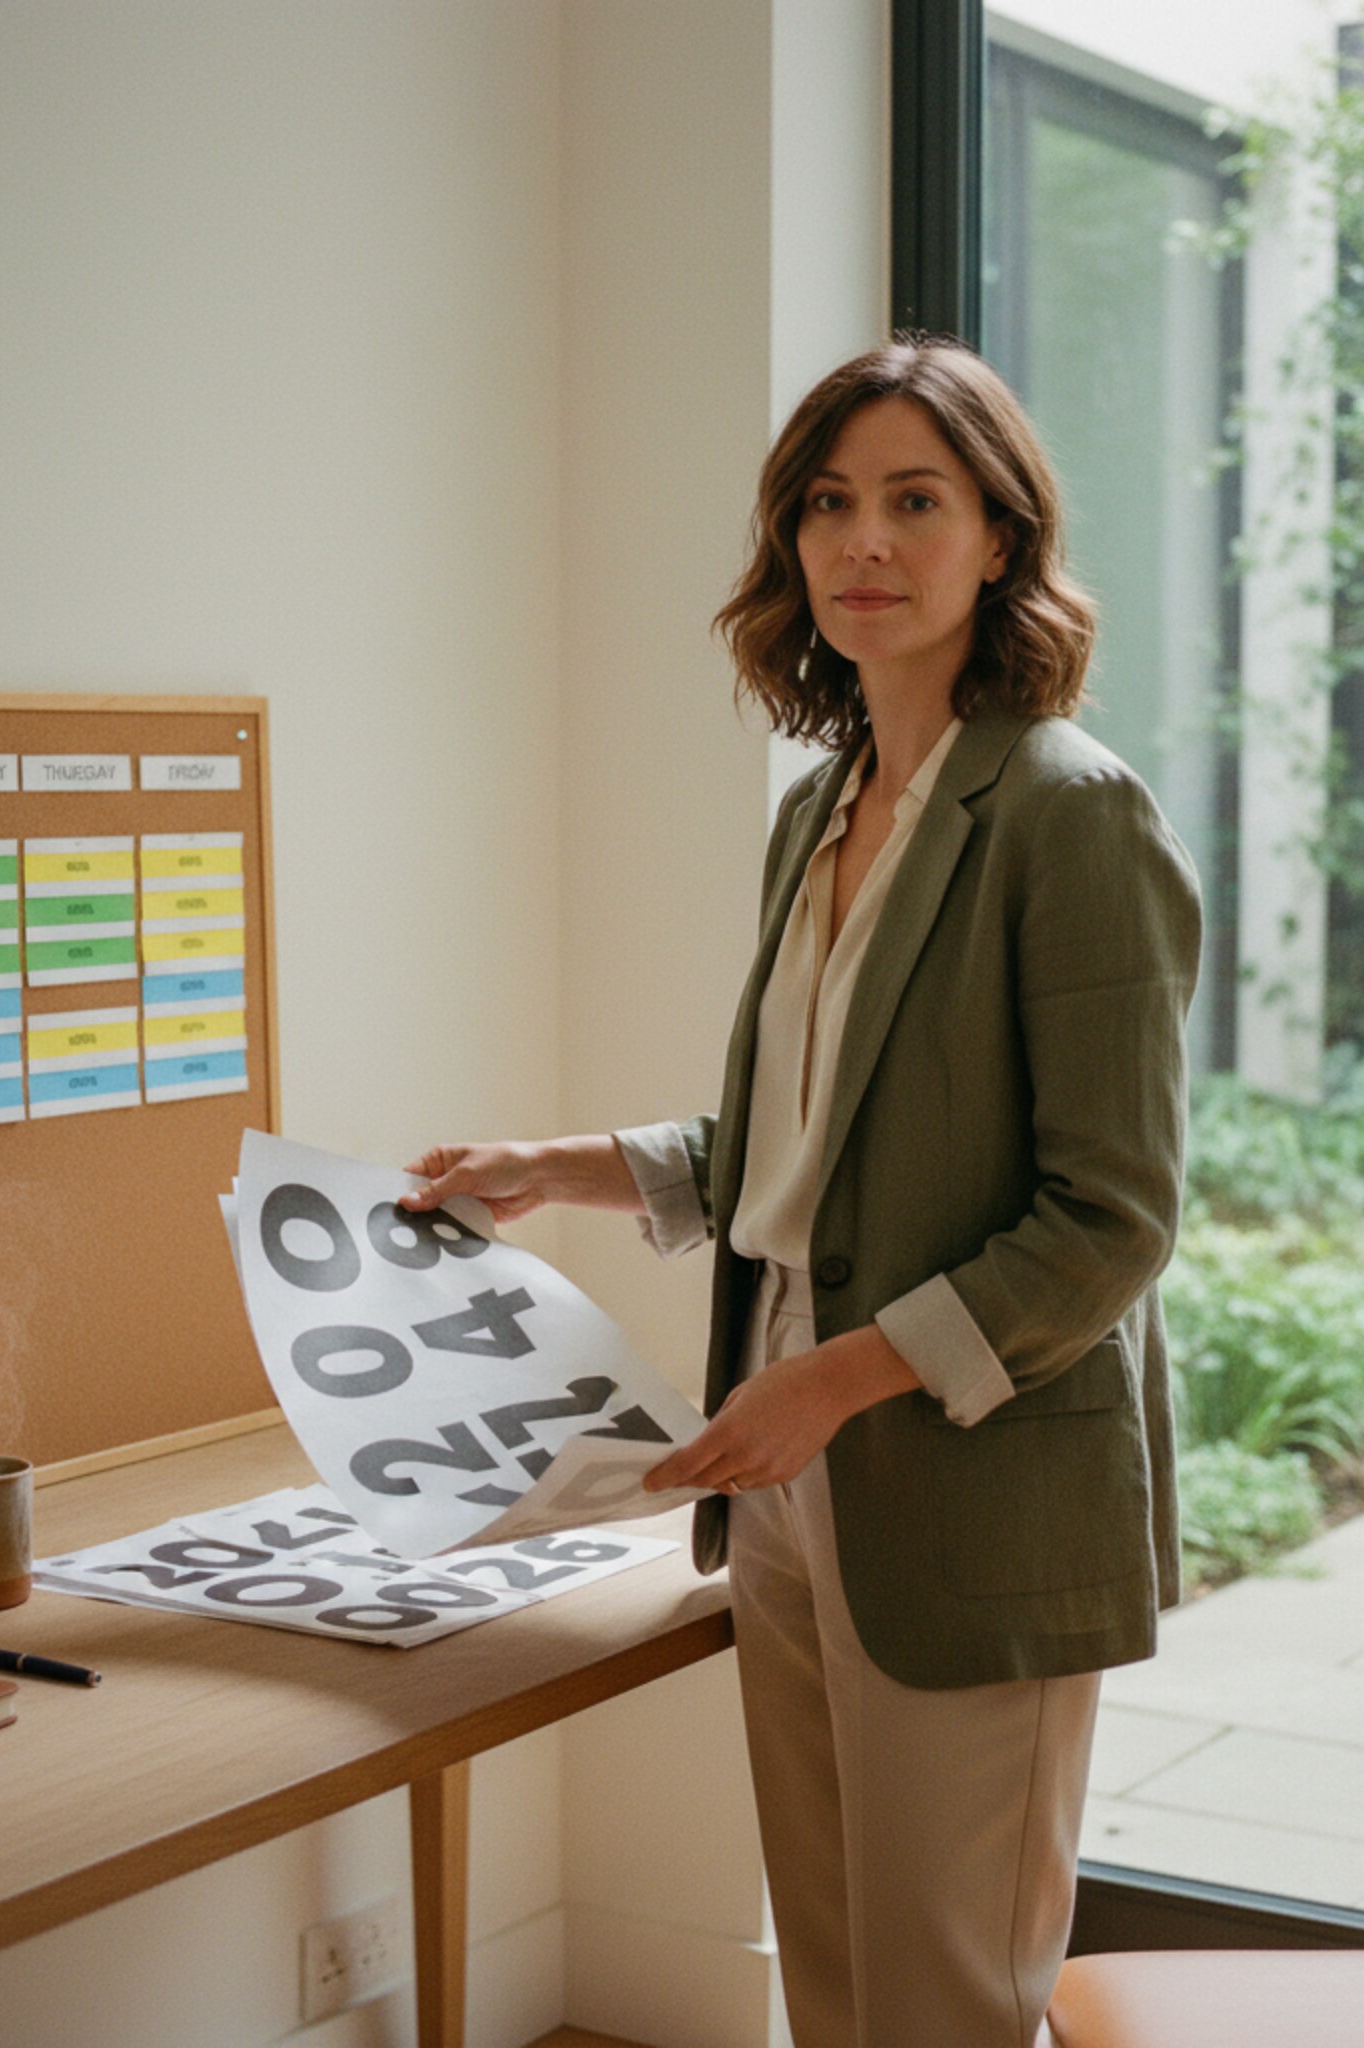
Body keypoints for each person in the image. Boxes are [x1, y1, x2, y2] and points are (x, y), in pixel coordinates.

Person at [404, 334, 1201, 2048]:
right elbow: (811, 1140)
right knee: (835, 1985)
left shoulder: (1069, 815)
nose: (866, 543)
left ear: (1001, 537)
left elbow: (1114, 1217)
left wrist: (834, 1383)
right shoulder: (824, 809)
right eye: (829, 504)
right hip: (783, 1465)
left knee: (946, 2001)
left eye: (918, 501)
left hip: (955, 1471)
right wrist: (558, 1170)